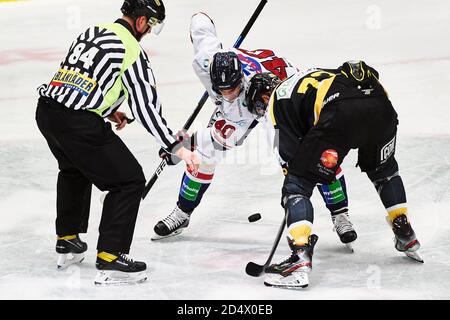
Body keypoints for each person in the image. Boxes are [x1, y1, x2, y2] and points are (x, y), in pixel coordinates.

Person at [152, 12, 357, 249]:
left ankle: (340, 214)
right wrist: (179, 147)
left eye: (233, 89)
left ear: (241, 78)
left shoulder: (272, 92)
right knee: (204, 155)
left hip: (279, 99)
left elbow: (286, 124)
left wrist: (289, 171)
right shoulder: (206, 61)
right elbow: (201, 24)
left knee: (313, 155)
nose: (227, 94)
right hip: (240, 109)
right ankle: (182, 213)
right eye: (222, 90)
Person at [35, 0, 199, 285]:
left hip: (48, 112)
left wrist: (109, 110)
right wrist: (176, 147)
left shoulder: (93, 31)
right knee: (129, 181)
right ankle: (111, 257)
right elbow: (147, 108)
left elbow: (79, 78)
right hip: (78, 121)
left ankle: (68, 238)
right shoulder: (132, 50)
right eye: (150, 24)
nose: (148, 31)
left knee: (74, 168)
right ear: (140, 21)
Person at [245, 61, 422, 289]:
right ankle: (405, 232)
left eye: (258, 107)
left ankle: (299, 258)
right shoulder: (305, 76)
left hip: (341, 113)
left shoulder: (274, 107)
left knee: (296, 186)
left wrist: (294, 182)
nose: (261, 113)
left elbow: (293, 163)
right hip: (380, 103)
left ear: (263, 97)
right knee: (383, 171)